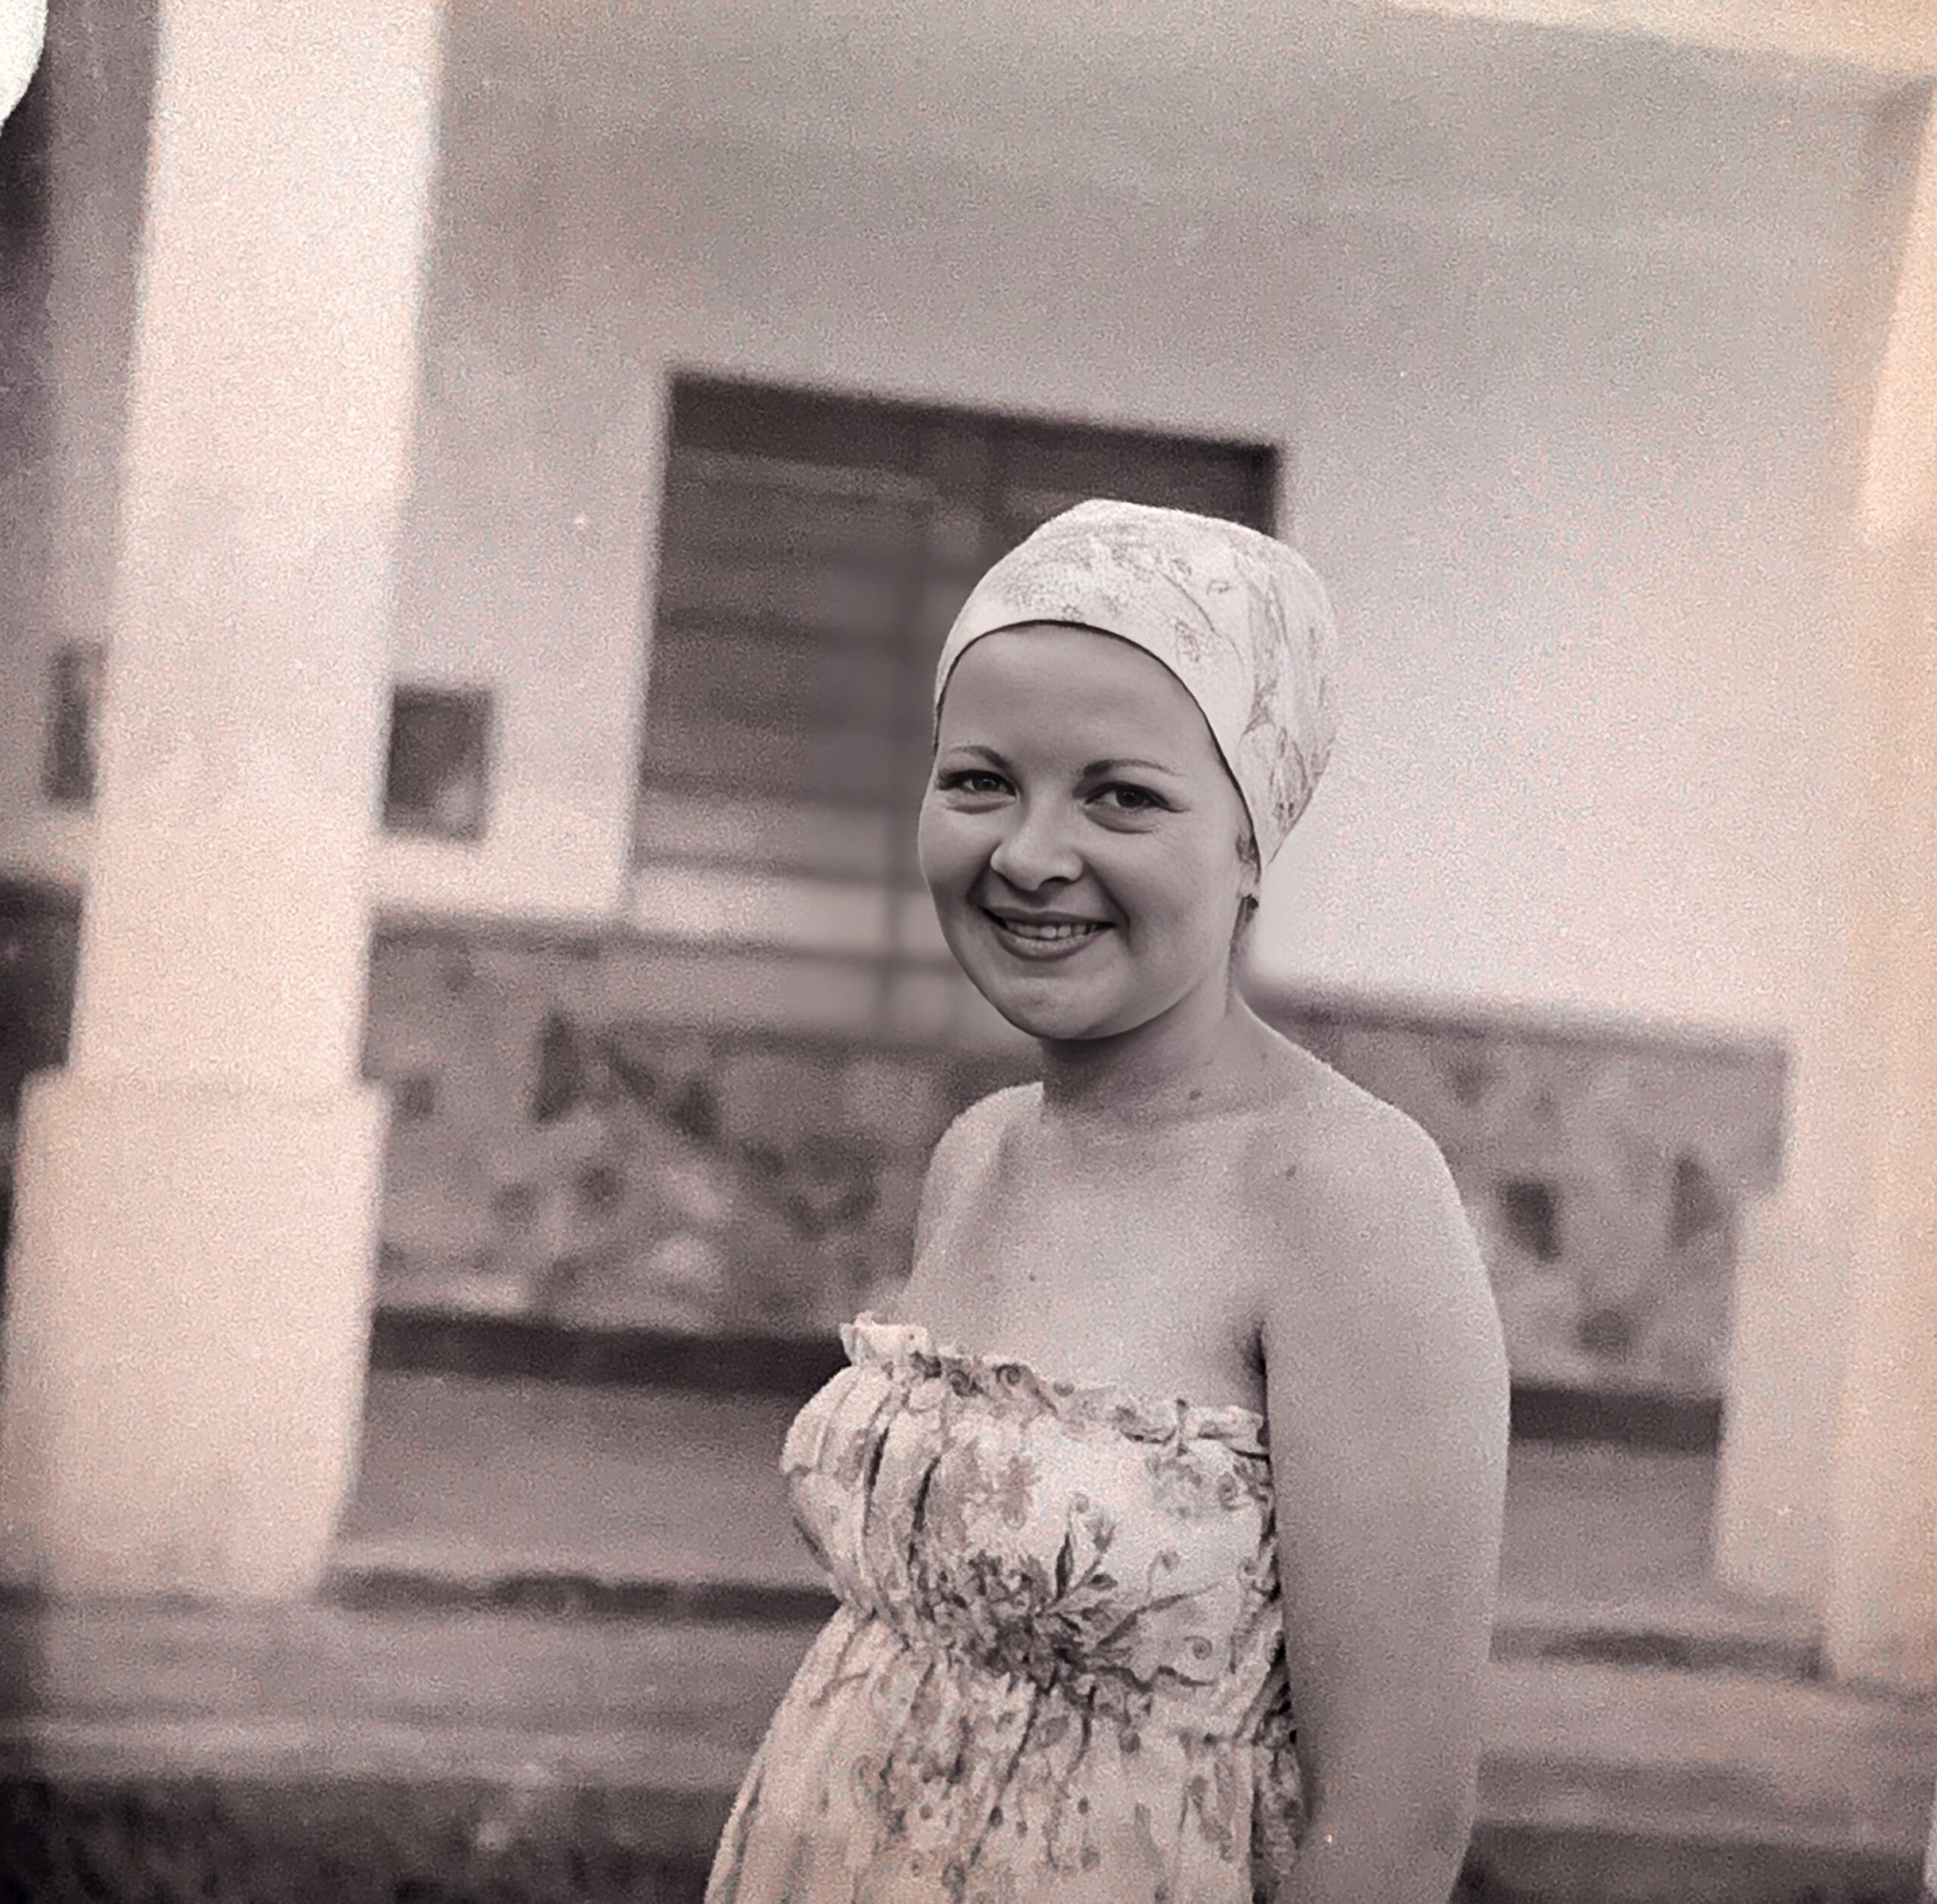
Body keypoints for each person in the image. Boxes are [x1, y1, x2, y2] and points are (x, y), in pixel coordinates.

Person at [704, 499, 1511, 1904]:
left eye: (1121, 797)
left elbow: (1395, 1825)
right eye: (980, 782)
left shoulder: (1344, 1198)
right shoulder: (980, 1154)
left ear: (1251, 843)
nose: (1029, 854)